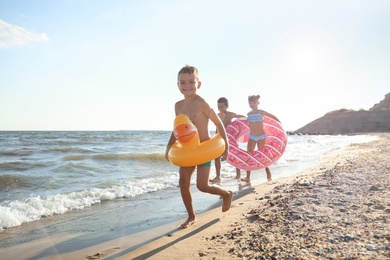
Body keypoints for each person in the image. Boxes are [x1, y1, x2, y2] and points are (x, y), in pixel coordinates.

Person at [165, 65, 234, 229]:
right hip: (188, 150)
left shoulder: (202, 103)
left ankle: (226, 194)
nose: (187, 86)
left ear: (199, 84)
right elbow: (178, 129)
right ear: (178, 85)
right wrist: (169, 147)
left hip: (204, 150)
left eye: (191, 82)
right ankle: (191, 216)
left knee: (202, 186)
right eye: (183, 82)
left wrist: (226, 146)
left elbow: (219, 124)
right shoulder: (178, 106)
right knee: (183, 182)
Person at [240, 94, 281, 183]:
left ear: (257, 102)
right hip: (251, 136)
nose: (252, 104)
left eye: (253, 102)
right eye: (250, 103)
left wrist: (280, 124)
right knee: (249, 155)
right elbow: (246, 125)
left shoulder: (261, 112)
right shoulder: (249, 114)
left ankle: (268, 172)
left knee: (263, 155)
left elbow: (272, 116)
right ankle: (247, 177)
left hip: (261, 136)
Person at [210, 97, 244, 183]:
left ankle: (238, 174)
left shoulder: (230, 114)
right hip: (219, 138)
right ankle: (218, 176)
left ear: (227, 106)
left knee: (234, 155)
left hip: (229, 139)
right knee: (217, 157)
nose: (220, 109)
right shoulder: (217, 115)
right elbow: (216, 127)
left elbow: (241, 117)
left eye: (222, 106)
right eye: (218, 107)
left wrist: (249, 119)